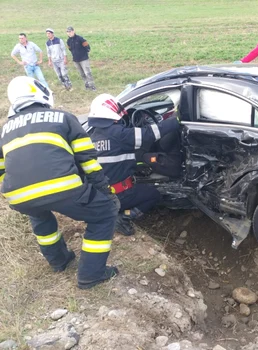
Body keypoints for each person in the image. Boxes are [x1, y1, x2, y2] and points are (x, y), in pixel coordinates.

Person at [0, 76, 119, 290]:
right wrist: (104, 191)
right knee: (105, 214)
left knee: (38, 213)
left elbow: (2, 169)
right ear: (41, 93)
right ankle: (91, 274)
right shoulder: (62, 118)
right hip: (63, 188)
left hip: (19, 196)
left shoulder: (4, 130)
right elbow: (87, 159)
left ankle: (59, 261)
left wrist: (12, 190)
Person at [87, 94, 180, 236]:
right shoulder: (118, 134)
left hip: (99, 195)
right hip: (119, 195)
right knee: (154, 194)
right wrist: (176, 120)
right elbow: (149, 134)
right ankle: (126, 215)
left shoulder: (92, 136)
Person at [66, 26, 96, 91]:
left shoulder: (80, 38)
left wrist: (85, 54)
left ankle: (92, 86)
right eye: (68, 32)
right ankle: (87, 85)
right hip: (76, 60)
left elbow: (87, 47)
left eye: (70, 31)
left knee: (87, 73)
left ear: (73, 31)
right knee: (82, 74)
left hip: (84, 59)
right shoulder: (68, 41)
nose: (69, 33)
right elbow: (70, 49)